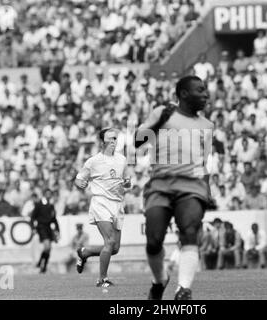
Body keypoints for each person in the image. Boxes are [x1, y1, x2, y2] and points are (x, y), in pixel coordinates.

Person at [135, 75, 215, 300]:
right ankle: (160, 280)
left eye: (205, 90)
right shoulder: (162, 113)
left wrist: (207, 190)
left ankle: (183, 290)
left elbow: (204, 162)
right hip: (160, 185)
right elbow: (137, 142)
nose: (205, 94)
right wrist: (160, 122)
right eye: (200, 90)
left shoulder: (207, 126)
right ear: (184, 94)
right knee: (153, 241)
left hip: (192, 186)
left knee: (189, 231)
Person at [74, 128, 131, 288]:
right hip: (101, 203)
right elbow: (78, 179)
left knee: (114, 249)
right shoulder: (93, 161)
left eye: (115, 138)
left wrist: (127, 183)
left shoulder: (122, 160)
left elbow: (128, 181)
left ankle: (85, 252)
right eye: (110, 138)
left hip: (118, 204)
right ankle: (102, 279)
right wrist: (81, 183)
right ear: (102, 142)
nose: (114, 141)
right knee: (110, 241)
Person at [30, 188, 60, 274]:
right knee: (47, 246)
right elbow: (32, 217)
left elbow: (54, 219)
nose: (49, 195)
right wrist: (33, 228)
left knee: (49, 249)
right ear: (44, 194)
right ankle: (40, 262)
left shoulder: (51, 206)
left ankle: (44, 267)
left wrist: (58, 230)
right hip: (41, 227)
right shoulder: (39, 204)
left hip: (48, 228)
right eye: (47, 194)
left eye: (50, 194)